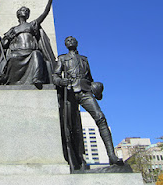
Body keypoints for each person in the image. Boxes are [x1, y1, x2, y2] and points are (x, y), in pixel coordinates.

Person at [53, 36, 123, 170]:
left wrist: (96, 88)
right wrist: (61, 81)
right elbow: (55, 76)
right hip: (70, 93)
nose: (70, 41)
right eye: (67, 40)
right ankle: (79, 158)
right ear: (65, 45)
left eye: (72, 40)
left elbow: (90, 78)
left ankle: (111, 155)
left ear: (76, 43)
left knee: (100, 117)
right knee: (74, 127)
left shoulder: (84, 59)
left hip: (85, 91)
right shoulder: (62, 59)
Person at [0, 0, 57, 86]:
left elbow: (45, 13)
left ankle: (36, 79)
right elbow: (4, 44)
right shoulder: (13, 29)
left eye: (26, 11)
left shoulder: (32, 24)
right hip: (17, 53)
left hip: (30, 51)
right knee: (10, 59)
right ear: (18, 14)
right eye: (23, 10)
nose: (25, 11)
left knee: (37, 54)